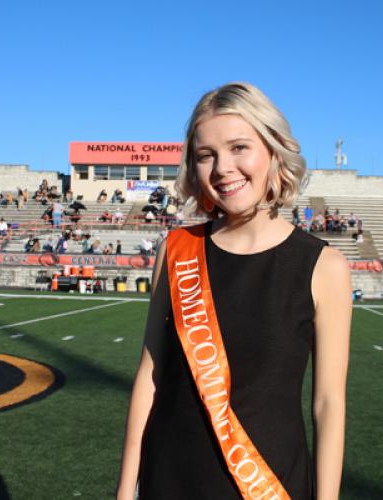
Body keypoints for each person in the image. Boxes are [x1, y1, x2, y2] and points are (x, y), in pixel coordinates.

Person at [117, 83, 352, 500]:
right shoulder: (176, 250)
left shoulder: (323, 266)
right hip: (168, 480)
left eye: (239, 147)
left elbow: (328, 403)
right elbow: (150, 377)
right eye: (206, 155)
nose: (222, 167)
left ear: (273, 150)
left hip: (267, 485)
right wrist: (125, 490)